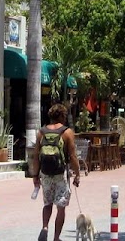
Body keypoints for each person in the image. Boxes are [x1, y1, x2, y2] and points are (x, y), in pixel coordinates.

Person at [32, 103, 81, 241]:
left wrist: (35, 175)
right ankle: (56, 237)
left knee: (47, 204)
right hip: (61, 174)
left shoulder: (41, 132)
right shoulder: (67, 132)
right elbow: (72, 156)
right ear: (62, 116)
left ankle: (45, 227)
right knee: (61, 207)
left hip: (45, 173)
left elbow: (36, 156)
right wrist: (77, 173)